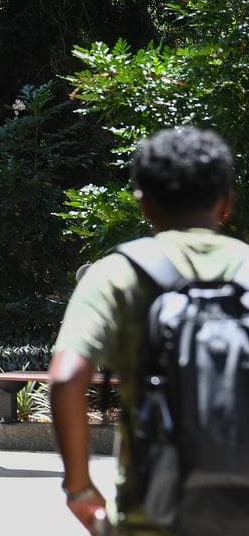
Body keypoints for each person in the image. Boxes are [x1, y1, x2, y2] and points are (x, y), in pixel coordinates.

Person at [51, 128, 249, 535]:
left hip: (153, 513)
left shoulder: (118, 273)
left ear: (144, 205)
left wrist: (79, 487)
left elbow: (67, 378)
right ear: (226, 203)